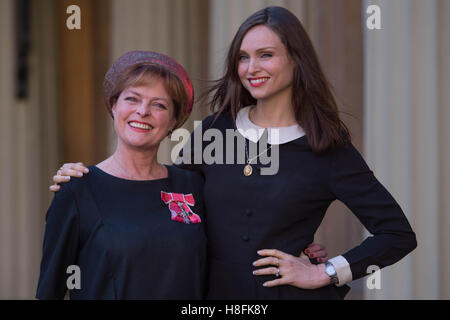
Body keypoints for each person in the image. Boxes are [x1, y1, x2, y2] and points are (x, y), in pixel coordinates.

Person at [50, 6, 417, 300]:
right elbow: (167, 199)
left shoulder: (327, 147)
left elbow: (397, 234)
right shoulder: (215, 131)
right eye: (243, 57)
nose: (251, 68)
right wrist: (89, 182)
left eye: (266, 55)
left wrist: (326, 270)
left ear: (296, 60)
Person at [36, 51, 209, 299]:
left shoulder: (192, 185)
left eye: (159, 105)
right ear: (114, 105)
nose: (143, 111)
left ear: (173, 121)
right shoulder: (78, 190)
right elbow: (49, 292)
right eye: (132, 99)